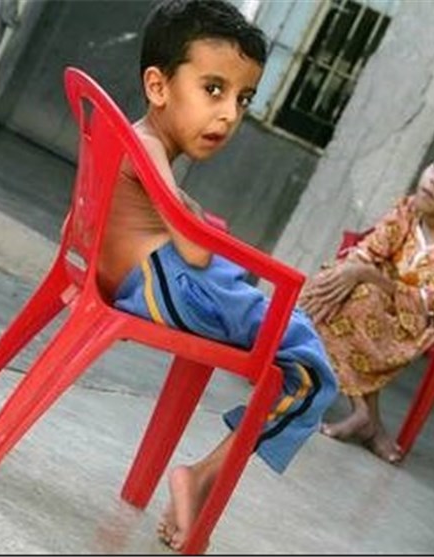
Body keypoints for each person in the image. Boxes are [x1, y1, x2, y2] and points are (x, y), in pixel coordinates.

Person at [98, 0, 337, 550]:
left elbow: (167, 216)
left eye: (243, 98)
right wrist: (196, 226)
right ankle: (202, 476)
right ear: (158, 86)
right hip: (166, 285)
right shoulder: (148, 146)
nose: (229, 114)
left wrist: (191, 216)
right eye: (213, 90)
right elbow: (195, 249)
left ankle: (203, 474)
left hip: (144, 280)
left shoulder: (133, 137)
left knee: (276, 323)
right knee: (310, 368)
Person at [299, 137, 434, 465]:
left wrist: (364, 275)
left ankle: (363, 416)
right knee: (336, 280)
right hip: (383, 302)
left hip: (433, 321)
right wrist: (354, 271)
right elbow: (367, 253)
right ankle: (365, 415)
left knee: (360, 291)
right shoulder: (408, 209)